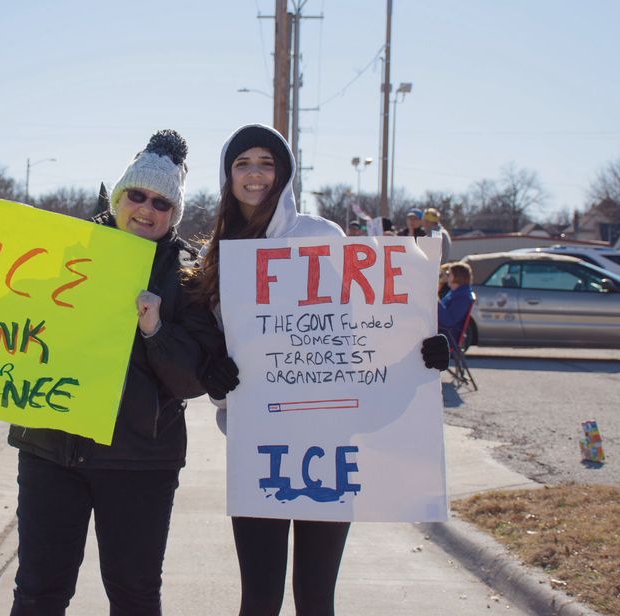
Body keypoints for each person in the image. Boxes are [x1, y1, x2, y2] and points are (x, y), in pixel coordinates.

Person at [0, 129, 219, 616]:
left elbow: (192, 380)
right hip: (51, 453)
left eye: (161, 202)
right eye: (137, 195)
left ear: (175, 212)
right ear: (121, 195)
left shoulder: (188, 276)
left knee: (135, 595)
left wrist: (155, 329)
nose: (146, 208)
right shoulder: (64, 251)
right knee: (39, 593)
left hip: (140, 464)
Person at [192, 124, 449, 616]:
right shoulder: (217, 253)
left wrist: (422, 351)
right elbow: (209, 342)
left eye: (266, 163)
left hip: (330, 440)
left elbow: (365, 330)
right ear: (227, 173)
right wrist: (216, 382)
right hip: (258, 441)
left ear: (283, 173)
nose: (255, 174)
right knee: (260, 600)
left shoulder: (320, 236)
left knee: (316, 599)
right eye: (243, 163)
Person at [438, 262, 474, 342]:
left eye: (449, 274)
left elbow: (449, 320)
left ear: (457, 276)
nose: (447, 276)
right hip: (443, 331)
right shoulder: (456, 292)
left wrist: (436, 302)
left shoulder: (462, 297)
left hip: (446, 336)